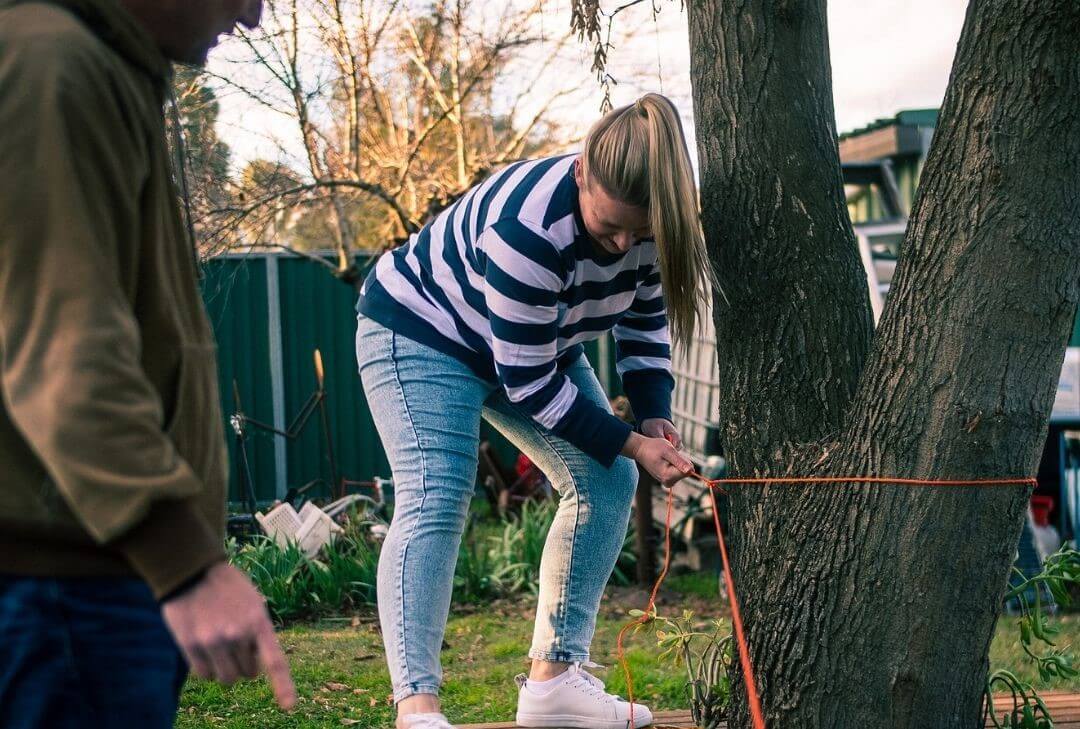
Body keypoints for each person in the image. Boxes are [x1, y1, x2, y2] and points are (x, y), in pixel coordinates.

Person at [356, 92, 711, 729]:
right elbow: (530, 384)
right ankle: (418, 708)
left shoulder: (661, 222)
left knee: (605, 480)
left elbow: (645, 318)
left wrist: (654, 414)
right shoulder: (527, 229)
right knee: (436, 494)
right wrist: (631, 441)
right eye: (611, 229)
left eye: (643, 232)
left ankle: (553, 685)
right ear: (581, 172)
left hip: (533, 344)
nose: (626, 244)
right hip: (422, 331)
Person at [0, 1, 296, 726]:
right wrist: (182, 557)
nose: (255, 16)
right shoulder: (51, 65)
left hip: (91, 577)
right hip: (61, 583)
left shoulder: (103, 69)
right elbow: (65, 343)